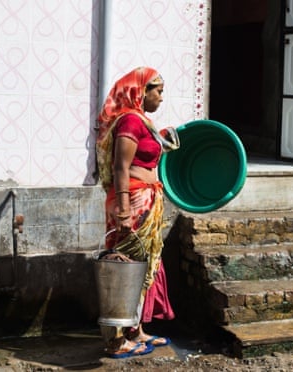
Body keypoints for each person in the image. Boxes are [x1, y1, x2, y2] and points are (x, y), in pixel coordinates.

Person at [95, 67, 179, 358]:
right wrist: (123, 208)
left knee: (145, 264)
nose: (161, 97)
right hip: (131, 201)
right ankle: (116, 341)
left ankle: (136, 330)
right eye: (158, 90)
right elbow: (121, 167)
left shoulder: (143, 122)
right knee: (125, 267)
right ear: (141, 92)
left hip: (145, 198)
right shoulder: (130, 121)